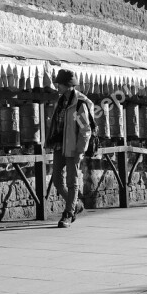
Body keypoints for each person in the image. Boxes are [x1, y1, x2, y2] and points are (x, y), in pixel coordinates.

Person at [45, 69, 94, 228]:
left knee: (72, 182)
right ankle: (76, 205)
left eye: (59, 84)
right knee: (58, 181)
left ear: (67, 85)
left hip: (73, 147)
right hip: (59, 146)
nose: (56, 86)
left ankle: (68, 214)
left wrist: (80, 151)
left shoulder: (79, 103)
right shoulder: (60, 101)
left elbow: (85, 130)